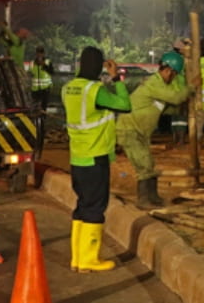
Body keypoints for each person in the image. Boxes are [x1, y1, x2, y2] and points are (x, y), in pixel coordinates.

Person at [62, 46, 131, 272]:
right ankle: (89, 260)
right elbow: (124, 105)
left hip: (77, 158)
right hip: (95, 157)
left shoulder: (68, 88)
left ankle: (77, 258)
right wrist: (116, 78)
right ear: (100, 65)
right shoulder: (94, 90)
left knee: (82, 206)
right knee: (95, 208)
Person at [116, 51, 196, 208]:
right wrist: (192, 87)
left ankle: (153, 197)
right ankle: (144, 200)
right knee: (144, 164)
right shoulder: (155, 83)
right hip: (129, 130)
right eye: (173, 75)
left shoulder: (157, 85)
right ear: (168, 70)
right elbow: (176, 97)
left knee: (149, 163)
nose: (172, 79)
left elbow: (160, 108)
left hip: (140, 132)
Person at [29, 45, 54, 112]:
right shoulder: (32, 63)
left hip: (45, 89)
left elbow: (52, 72)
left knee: (43, 108)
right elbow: (30, 73)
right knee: (35, 108)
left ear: (43, 54)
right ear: (36, 54)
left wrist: (44, 65)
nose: (39, 55)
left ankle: (43, 121)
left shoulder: (47, 62)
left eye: (41, 53)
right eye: (38, 53)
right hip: (35, 90)